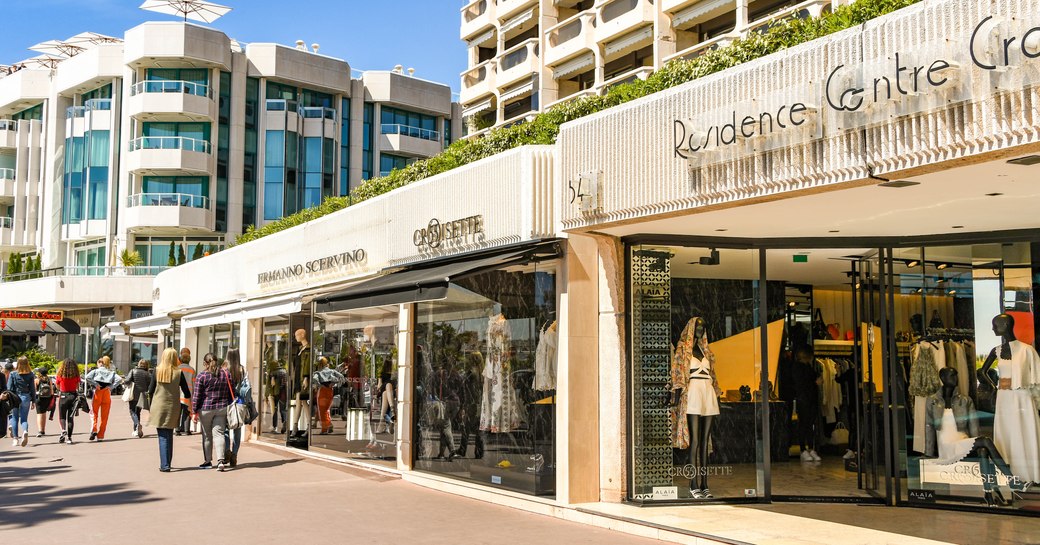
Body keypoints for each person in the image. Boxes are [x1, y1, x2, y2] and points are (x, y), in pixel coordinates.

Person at [148, 348, 192, 472]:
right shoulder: (179, 373)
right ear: (174, 358)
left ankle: (165, 465)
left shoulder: (157, 371)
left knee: (162, 436)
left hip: (158, 406)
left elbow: (150, 391)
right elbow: (187, 392)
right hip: (173, 407)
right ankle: (167, 462)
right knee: (169, 435)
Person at [192, 353, 234, 471]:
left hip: (206, 409)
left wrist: (194, 411)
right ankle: (220, 461)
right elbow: (233, 390)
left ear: (205, 363)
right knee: (219, 434)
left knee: (207, 436)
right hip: (222, 408)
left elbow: (197, 396)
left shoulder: (202, 376)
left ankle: (208, 461)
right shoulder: (226, 374)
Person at [83, 355, 121, 441]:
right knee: (105, 416)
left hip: (98, 391)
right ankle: (101, 435)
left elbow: (87, 377)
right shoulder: (111, 372)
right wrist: (111, 387)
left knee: (94, 413)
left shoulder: (96, 371)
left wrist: (95, 384)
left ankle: (94, 429)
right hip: (107, 393)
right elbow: (119, 379)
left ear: (101, 362)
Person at [222, 349, 249, 467]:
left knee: (226, 429)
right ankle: (234, 455)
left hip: (226, 402)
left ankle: (227, 450)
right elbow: (247, 387)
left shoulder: (223, 369)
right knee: (237, 429)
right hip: (239, 403)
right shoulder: (242, 369)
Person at [7, 357, 36, 447]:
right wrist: (34, 401)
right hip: (26, 397)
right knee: (24, 419)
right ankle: (25, 431)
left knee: (15, 418)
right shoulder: (31, 374)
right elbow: (32, 388)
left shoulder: (13, 374)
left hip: (15, 397)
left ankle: (15, 439)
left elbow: (9, 388)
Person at [313, 356, 343, 435]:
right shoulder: (332, 371)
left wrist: (319, 385)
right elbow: (341, 376)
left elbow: (315, 379)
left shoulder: (318, 373)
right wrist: (336, 384)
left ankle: (325, 428)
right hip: (330, 391)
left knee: (322, 411)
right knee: (326, 409)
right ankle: (329, 424)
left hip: (322, 391)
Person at [123, 359, 152, 438]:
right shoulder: (148, 374)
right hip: (142, 396)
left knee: (132, 411)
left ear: (139, 364)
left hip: (133, 394)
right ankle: (136, 430)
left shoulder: (133, 371)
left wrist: (126, 382)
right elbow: (150, 385)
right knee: (138, 412)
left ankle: (137, 425)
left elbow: (127, 381)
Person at [55, 358, 81, 444]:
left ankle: (63, 430)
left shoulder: (60, 374)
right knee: (70, 418)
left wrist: (61, 390)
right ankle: (69, 438)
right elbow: (77, 386)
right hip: (73, 396)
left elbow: (57, 385)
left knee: (62, 416)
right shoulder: (76, 375)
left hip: (63, 395)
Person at [176, 348, 195, 435]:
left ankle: (177, 429)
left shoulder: (177, 368)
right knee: (187, 411)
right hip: (188, 393)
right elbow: (194, 382)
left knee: (178, 412)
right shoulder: (192, 370)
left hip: (178, 393)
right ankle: (186, 429)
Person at [34, 368, 55, 437]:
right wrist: (51, 398)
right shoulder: (49, 380)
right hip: (47, 398)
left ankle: (40, 430)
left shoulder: (37, 380)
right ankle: (43, 430)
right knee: (44, 413)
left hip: (39, 398)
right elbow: (52, 391)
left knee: (39, 414)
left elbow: (34, 390)